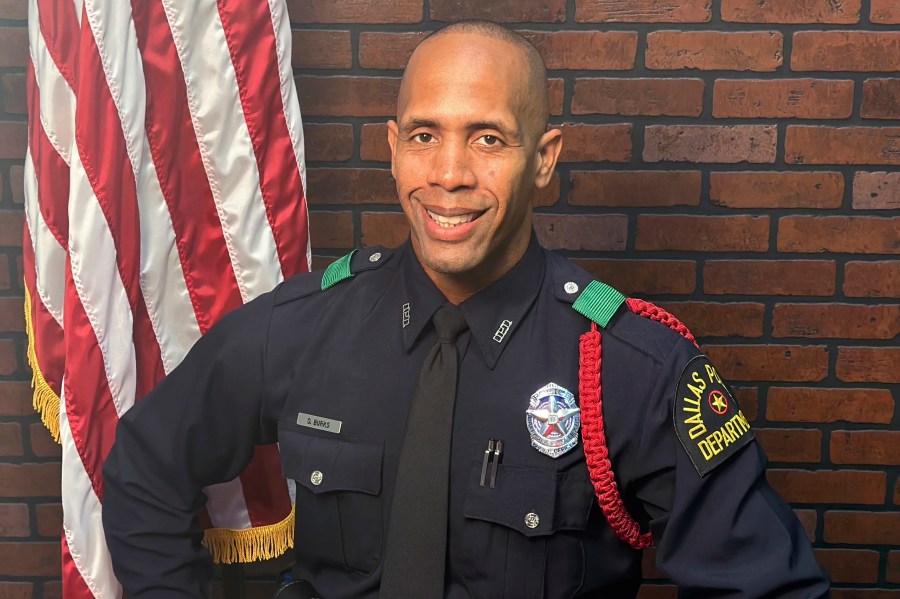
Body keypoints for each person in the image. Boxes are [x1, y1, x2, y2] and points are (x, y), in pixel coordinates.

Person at [103, 20, 830, 598]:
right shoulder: (304, 328)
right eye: (425, 136)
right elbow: (144, 463)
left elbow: (767, 585)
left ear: (543, 158)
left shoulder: (631, 368)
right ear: (392, 150)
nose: (449, 175)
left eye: (488, 138)